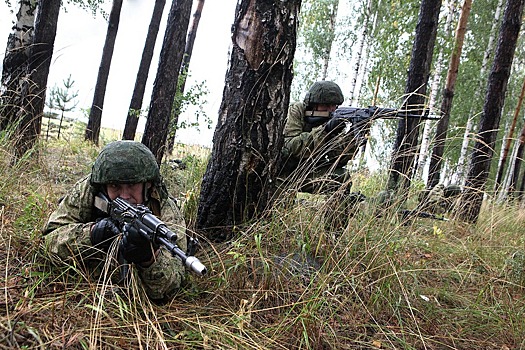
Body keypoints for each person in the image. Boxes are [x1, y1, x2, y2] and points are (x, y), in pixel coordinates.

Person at [43, 140, 187, 301]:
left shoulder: (164, 210)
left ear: (148, 185)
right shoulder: (88, 191)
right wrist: (92, 234)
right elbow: (50, 241)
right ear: (104, 186)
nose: (124, 195)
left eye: (132, 185)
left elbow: (174, 283)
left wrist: (149, 259)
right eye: (114, 186)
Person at [278, 80, 359, 195]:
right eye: (326, 105)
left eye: (334, 106)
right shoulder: (297, 110)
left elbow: (337, 159)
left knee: (342, 178)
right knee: (281, 207)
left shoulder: (331, 121)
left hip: (307, 172)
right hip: (283, 173)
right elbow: (291, 146)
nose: (331, 110)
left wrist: (353, 136)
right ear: (313, 104)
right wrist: (325, 130)